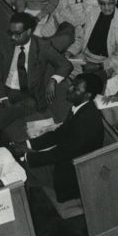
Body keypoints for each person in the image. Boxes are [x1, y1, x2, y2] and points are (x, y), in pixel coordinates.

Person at [17, 73, 106, 203]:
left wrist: (26, 156)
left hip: (68, 176)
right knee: (14, 159)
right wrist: (27, 144)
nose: (69, 89)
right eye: (72, 85)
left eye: (75, 89)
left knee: (18, 167)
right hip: (64, 161)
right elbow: (59, 134)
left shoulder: (87, 120)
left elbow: (62, 153)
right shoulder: (79, 108)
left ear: (87, 95)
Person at [0, 12, 73, 142]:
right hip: (7, 89)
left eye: (17, 33)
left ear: (29, 31)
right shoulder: (5, 46)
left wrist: (53, 80)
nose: (13, 37)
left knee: (28, 104)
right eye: (10, 32)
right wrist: (3, 97)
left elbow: (65, 65)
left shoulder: (42, 46)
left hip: (29, 94)